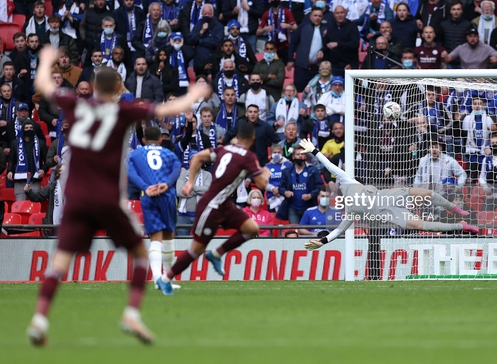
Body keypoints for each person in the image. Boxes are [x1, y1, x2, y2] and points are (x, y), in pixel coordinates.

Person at [27, 45, 211, 345]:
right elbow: (167, 110)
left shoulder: (75, 104)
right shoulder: (123, 109)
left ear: (94, 88)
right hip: (107, 199)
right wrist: (195, 93)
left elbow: (45, 86)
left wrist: (47, 60)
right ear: (118, 90)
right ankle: (132, 314)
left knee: (60, 261)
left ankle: (39, 318)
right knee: (140, 255)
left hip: (77, 197)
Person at [299, 138, 478, 252]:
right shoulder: (351, 212)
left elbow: (331, 166)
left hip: (391, 196)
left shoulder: (349, 182)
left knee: (427, 193)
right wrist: (322, 242)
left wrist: (314, 151)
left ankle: (454, 209)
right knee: (425, 226)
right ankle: (461, 226)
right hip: (391, 215)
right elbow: (338, 231)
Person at [156, 122, 272, 294]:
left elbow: (196, 158)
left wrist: (190, 182)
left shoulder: (222, 149)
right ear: (253, 138)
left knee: (252, 228)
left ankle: (216, 254)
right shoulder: (248, 156)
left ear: (237, 137)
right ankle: (165, 279)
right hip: (211, 206)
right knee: (197, 249)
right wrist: (266, 173)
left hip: (225, 204)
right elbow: (262, 183)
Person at [127, 126, 181, 284]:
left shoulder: (135, 154)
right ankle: (168, 279)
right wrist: (167, 183)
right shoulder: (168, 153)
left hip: (149, 196)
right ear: (160, 140)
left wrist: (146, 187)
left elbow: (131, 173)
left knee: (155, 238)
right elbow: (177, 168)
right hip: (167, 195)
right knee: (169, 236)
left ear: (143, 140)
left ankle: (157, 277)